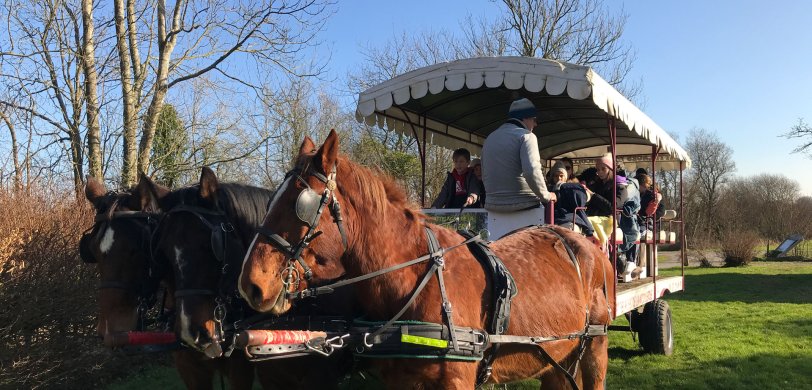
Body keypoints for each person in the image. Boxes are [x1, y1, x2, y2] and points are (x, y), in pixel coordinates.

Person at [481, 98, 556, 211]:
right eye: (534, 119)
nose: (535, 124)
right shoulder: (527, 136)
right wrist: (546, 195)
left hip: (492, 205)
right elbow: (531, 171)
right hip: (524, 204)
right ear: (525, 117)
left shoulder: (490, 137)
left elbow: (484, 173)